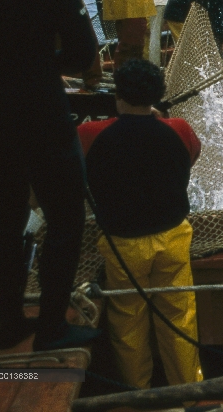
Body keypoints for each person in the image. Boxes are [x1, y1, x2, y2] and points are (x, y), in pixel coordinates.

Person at [0, 0, 100, 351]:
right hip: (35, 108)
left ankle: (9, 322)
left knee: (4, 216)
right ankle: (51, 329)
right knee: (64, 215)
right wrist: (42, 65)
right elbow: (81, 52)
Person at [78, 59, 202, 388]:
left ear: (117, 93)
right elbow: (191, 155)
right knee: (180, 316)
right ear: (158, 94)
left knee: (128, 321)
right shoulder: (180, 129)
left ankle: (139, 396)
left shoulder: (88, 134)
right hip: (173, 236)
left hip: (124, 244)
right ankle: (189, 392)